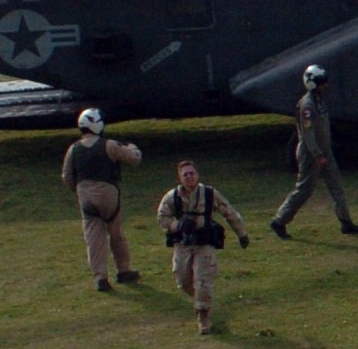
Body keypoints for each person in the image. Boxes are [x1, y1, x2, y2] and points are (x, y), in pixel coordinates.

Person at [271, 64, 358, 238]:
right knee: (304, 190)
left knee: (336, 187)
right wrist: (318, 155)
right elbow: (308, 135)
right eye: (322, 83)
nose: (326, 86)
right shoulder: (307, 105)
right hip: (311, 154)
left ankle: (346, 222)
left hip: (325, 151)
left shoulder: (319, 100)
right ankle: (279, 221)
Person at [157, 160, 251, 335]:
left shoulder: (209, 194)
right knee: (183, 279)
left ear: (197, 175)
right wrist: (178, 225)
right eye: (185, 174)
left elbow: (228, 211)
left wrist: (242, 234)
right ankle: (200, 299)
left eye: (192, 173)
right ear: (180, 177)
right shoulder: (172, 197)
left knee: (203, 279)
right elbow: (162, 217)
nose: (189, 177)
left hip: (204, 243)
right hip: (183, 243)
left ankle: (203, 315)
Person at [60, 107, 142, 291]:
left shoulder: (73, 149)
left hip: (85, 197)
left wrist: (79, 190)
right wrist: (133, 147)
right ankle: (123, 270)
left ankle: (101, 277)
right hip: (108, 195)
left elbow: (67, 176)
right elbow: (134, 159)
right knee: (116, 234)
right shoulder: (109, 145)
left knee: (93, 238)